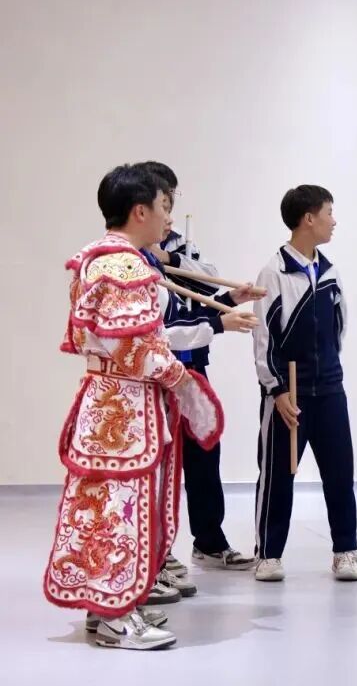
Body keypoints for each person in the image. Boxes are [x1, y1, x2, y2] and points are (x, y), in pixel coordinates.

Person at [44, 164, 224, 650]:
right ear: (140, 211)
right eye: (164, 207)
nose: (169, 217)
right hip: (125, 409)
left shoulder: (94, 257)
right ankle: (115, 617)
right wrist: (183, 382)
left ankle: (106, 608)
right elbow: (136, 349)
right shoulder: (124, 266)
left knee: (103, 506)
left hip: (104, 402)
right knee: (118, 510)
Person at [137, 161, 259, 578]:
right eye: (163, 202)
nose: (168, 212)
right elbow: (160, 328)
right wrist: (219, 321)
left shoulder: (176, 246)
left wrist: (228, 299)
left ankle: (209, 540)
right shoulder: (130, 255)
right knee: (160, 461)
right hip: (157, 371)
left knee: (205, 451)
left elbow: (205, 284)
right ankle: (157, 551)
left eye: (171, 201)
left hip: (191, 368)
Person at [251, 185, 357, 583]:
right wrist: (277, 389)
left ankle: (346, 550)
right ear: (308, 218)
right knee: (278, 476)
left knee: (340, 472)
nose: (334, 221)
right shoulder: (274, 272)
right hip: (288, 393)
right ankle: (268, 553)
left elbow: (339, 327)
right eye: (329, 212)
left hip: (329, 388)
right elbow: (263, 337)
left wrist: (328, 369)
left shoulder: (329, 272)